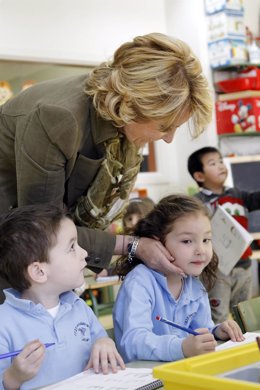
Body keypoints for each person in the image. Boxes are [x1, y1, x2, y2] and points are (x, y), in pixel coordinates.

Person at [0, 32, 213, 302]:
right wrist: (133, 246)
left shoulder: (123, 129)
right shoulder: (58, 118)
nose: (169, 139)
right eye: (164, 127)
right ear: (130, 105)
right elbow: (43, 230)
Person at [0, 204, 125, 390]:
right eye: (72, 247)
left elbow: (99, 336)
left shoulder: (78, 306)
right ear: (39, 271)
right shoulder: (4, 323)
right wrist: (14, 376)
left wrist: (104, 342)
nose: (84, 253)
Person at [113, 195, 243, 363]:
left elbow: (199, 331)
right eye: (187, 241)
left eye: (206, 240)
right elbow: (133, 343)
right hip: (147, 379)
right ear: (157, 243)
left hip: (183, 371)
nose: (201, 250)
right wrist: (181, 348)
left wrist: (216, 332)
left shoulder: (193, 284)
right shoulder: (140, 282)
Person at [187, 146, 260, 323]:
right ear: (199, 176)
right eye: (213, 163)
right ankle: (219, 345)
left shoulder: (237, 194)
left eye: (221, 161)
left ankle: (245, 345)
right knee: (218, 316)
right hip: (216, 270)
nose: (221, 165)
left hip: (243, 266)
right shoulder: (197, 203)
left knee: (245, 315)